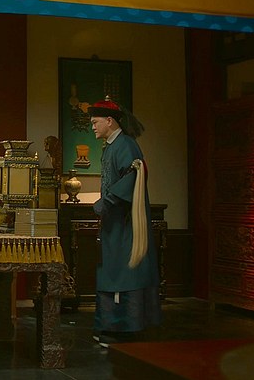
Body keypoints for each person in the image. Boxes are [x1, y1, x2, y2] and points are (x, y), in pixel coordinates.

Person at [87, 96, 161, 348]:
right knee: (112, 270)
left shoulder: (126, 145)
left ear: (110, 121)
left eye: (96, 122)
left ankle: (124, 328)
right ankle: (109, 325)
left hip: (127, 222)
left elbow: (132, 179)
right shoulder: (111, 146)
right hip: (114, 222)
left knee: (124, 271)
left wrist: (106, 202)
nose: (93, 127)